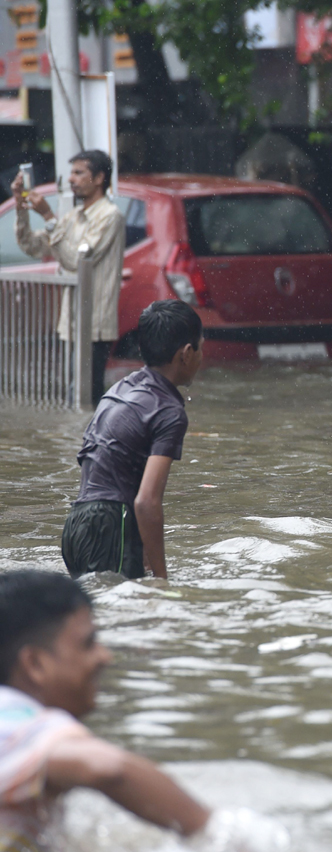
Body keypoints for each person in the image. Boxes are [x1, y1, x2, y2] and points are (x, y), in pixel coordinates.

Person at [0, 570, 209, 852]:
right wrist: (216, 831)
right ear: (34, 663)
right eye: (88, 644)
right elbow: (109, 768)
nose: (104, 657)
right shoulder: (15, 725)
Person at [60, 299, 203, 581]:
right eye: (200, 347)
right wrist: (163, 580)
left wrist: (145, 556)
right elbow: (146, 502)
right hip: (111, 525)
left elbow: (110, 467)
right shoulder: (168, 411)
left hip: (76, 523)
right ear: (186, 353)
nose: (202, 357)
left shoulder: (122, 387)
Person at [12, 149, 125, 407]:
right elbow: (32, 246)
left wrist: (49, 217)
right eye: (71, 173)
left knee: (86, 397)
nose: (71, 179)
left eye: (78, 172)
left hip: (94, 324)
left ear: (99, 178)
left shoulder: (109, 217)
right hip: (70, 323)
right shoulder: (73, 217)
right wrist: (21, 205)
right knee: (70, 395)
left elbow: (77, 260)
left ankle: (91, 444)